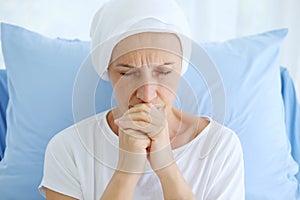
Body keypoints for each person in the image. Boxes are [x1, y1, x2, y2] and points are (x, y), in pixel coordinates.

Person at [39, 0, 245, 199]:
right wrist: (126, 172)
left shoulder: (220, 146)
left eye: (164, 72)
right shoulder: (68, 148)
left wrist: (167, 168)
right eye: (127, 73)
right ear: (107, 72)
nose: (147, 95)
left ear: (181, 69)